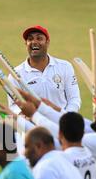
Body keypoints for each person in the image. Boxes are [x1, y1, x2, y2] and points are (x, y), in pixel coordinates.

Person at [8, 25, 81, 155]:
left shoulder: (64, 67)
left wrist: (64, 120)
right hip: (31, 131)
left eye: (39, 38)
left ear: (47, 42)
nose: (34, 42)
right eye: (30, 39)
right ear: (26, 43)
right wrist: (23, 115)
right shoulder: (16, 74)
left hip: (59, 130)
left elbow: (74, 99)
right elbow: (13, 106)